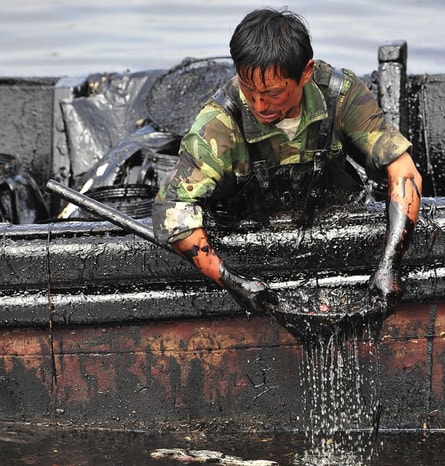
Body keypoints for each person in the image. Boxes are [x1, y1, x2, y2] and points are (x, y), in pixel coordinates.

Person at [152, 8, 422, 317]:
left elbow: (403, 170)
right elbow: (172, 209)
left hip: (336, 234)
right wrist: (232, 281)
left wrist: (388, 267)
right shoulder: (219, 124)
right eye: (248, 89)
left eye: (273, 93)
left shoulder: (341, 96)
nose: (259, 104)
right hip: (251, 248)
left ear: (306, 73)